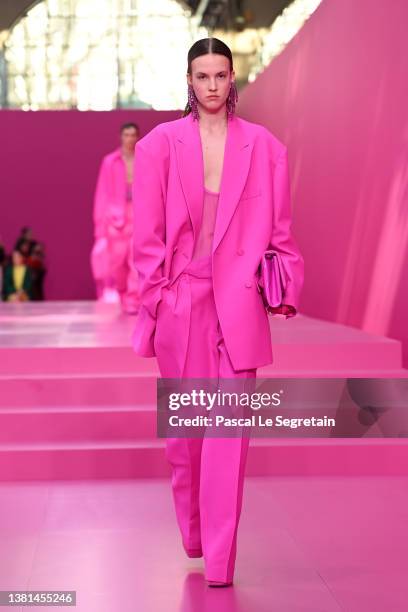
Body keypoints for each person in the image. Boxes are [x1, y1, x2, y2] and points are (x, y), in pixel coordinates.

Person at [131, 37, 304, 587]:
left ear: (233, 80)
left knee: (228, 433)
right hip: (181, 303)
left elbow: (281, 235)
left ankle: (222, 561)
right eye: (201, 75)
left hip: (239, 306)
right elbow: (145, 237)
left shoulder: (265, 148)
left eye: (220, 75)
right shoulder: (159, 146)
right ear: (189, 80)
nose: (211, 85)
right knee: (186, 438)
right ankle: (197, 533)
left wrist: (284, 287)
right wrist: (157, 298)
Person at [90, 122, 140, 313]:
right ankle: (122, 292)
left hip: (138, 212)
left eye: (133, 134)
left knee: (137, 258)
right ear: (121, 137)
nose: (130, 138)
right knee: (116, 262)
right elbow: (102, 194)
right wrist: (99, 229)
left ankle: (134, 299)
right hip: (115, 218)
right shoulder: (110, 161)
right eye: (126, 135)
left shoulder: (144, 158)